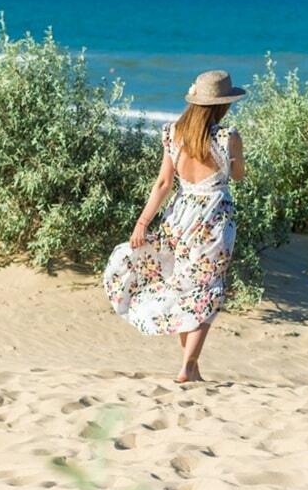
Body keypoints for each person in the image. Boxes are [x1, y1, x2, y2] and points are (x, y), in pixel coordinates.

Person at [103, 69, 246, 382]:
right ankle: (187, 366)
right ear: (223, 105)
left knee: (184, 288)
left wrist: (142, 223)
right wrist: (236, 158)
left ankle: (191, 368)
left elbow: (163, 183)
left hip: (180, 215)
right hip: (214, 219)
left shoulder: (172, 134)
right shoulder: (227, 136)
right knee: (207, 291)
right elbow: (237, 177)